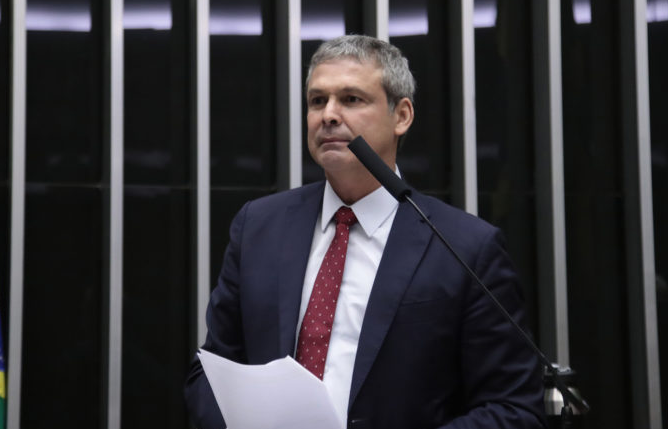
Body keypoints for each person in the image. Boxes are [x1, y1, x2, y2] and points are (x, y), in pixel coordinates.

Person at [185, 34, 546, 429]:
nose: (329, 115)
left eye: (351, 99)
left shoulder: (465, 247)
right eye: (317, 101)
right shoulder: (259, 227)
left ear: (401, 116)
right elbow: (211, 372)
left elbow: (513, 408)